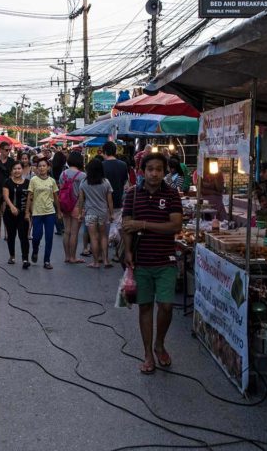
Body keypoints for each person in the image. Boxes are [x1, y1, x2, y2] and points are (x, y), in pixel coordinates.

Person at [122, 152, 183, 375]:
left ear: (165, 171)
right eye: (150, 169)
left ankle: (160, 343)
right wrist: (128, 251)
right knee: (145, 306)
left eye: (159, 169)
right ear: (143, 171)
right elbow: (127, 225)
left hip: (165, 259)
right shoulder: (133, 195)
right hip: (141, 260)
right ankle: (148, 352)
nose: (154, 173)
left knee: (166, 306)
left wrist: (144, 224)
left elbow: (175, 226)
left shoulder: (172, 194)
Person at [76, 157, 114, 269]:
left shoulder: (84, 183)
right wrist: (111, 214)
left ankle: (96, 262)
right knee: (104, 237)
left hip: (90, 214)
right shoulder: (106, 182)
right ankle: (106, 260)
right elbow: (110, 201)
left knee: (93, 238)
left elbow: (81, 200)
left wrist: (79, 213)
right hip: (103, 213)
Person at [26, 158, 61, 269]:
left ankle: (47, 261)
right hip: (37, 212)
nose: (41, 168)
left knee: (49, 238)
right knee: (36, 236)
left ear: (48, 167)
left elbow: (56, 197)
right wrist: (27, 211)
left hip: (50, 212)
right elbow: (29, 197)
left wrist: (59, 212)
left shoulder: (52, 181)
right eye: (39, 166)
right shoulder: (33, 180)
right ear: (37, 168)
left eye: (44, 166)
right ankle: (35, 250)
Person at [59, 151, 87, 265]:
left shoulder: (63, 174)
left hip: (65, 205)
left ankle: (66, 256)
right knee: (74, 233)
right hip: (76, 206)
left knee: (67, 231)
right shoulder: (82, 175)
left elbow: (61, 190)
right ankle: (73, 257)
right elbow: (82, 194)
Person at [3, 161, 31, 268]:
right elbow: (6, 196)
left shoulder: (28, 183)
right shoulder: (7, 182)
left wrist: (28, 212)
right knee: (11, 235)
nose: (17, 171)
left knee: (23, 236)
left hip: (23, 214)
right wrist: (12, 207)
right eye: (14, 169)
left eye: (19, 168)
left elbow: (29, 198)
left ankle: (25, 259)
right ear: (11, 171)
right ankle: (12, 256)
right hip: (10, 213)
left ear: (22, 170)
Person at [102, 141, 129, 232]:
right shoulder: (123, 165)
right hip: (118, 199)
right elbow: (125, 181)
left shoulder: (102, 165)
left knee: (105, 229)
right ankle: (116, 244)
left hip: (103, 201)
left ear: (105, 152)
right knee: (117, 227)